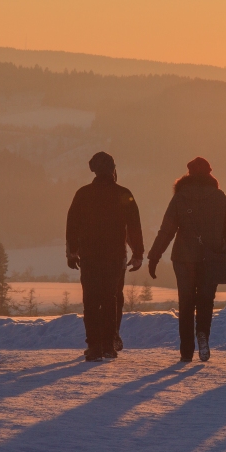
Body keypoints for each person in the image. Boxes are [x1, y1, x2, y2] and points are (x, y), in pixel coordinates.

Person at [148, 157, 226, 362]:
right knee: (205, 302)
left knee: (186, 303)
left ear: (188, 174)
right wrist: (224, 255)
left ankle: (186, 351)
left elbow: (166, 230)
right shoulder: (220, 197)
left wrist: (154, 256)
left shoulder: (180, 198)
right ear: (209, 174)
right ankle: (203, 335)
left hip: (183, 259)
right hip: (211, 258)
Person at [66, 152, 143, 362]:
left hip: (90, 255)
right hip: (115, 256)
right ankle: (109, 344)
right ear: (112, 170)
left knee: (90, 300)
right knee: (111, 298)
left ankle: (94, 346)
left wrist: (72, 251)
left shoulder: (83, 194)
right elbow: (134, 226)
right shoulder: (123, 193)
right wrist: (138, 253)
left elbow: (72, 225)